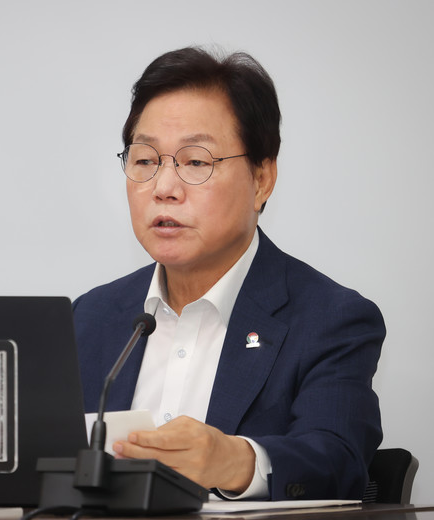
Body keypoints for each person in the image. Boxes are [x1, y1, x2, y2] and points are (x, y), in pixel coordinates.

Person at [73, 46, 384, 501]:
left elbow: (339, 461)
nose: (164, 188)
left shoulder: (330, 319)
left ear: (262, 180)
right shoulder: (90, 318)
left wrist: (236, 461)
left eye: (196, 162)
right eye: (144, 161)